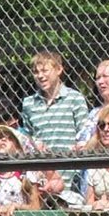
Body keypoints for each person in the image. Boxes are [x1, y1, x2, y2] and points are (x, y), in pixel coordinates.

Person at [20, 50, 89, 193]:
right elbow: (27, 136)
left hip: (70, 172)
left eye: (45, 70)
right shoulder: (28, 103)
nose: (40, 76)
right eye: (36, 72)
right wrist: (35, 144)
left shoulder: (75, 99)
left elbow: (83, 133)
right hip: (41, 172)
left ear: (59, 69)